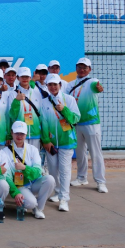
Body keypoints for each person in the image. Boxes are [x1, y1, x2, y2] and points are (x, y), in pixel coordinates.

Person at [66, 58, 108, 193]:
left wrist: (99, 88)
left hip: (91, 123)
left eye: (85, 67)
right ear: (76, 68)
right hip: (76, 123)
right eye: (79, 67)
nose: (82, 69)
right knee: (80, 153)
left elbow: (97, 87)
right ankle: (81, 178)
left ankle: (100, 182)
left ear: (89, 69)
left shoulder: (92, 82)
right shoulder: (70, 85)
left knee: (96, 153)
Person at [40, 74, 81, 212]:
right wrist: (46, 141)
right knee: (52, 170)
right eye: (50, 85)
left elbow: (75, 118)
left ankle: (64, 199)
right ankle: (57, 192)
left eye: (55, 84)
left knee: (64, 170)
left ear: (60, 85)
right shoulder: (44, 102)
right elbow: (43, 122)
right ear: (47, 86)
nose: (52, 87)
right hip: (51, 143)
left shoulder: (69, 100)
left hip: (66, 141)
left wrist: (64, 109)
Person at [6, 121, 55, 219]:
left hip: (34, 183)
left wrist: (24, 168)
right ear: (11, 133)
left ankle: (39, 208)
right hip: (20, 186)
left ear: (26, 134)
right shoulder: (5, 152)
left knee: (50, 180)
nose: (19, 136)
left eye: (22, 133)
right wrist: (16, 193)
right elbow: (7, 178)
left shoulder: (33, 149)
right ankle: (26, 201)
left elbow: (37, 171)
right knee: (31, 203)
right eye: (16, 133)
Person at [6, 67, 42, 150]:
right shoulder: (13, 94)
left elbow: (41, 114)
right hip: (20, 134)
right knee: (21, 157)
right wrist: (16, 101)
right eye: (22, 77)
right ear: (18, 78)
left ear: (30, 78)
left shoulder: (36, 92)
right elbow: (12, 115)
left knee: (34, 156)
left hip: (35, 133)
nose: (25, 79)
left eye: (27, 77)